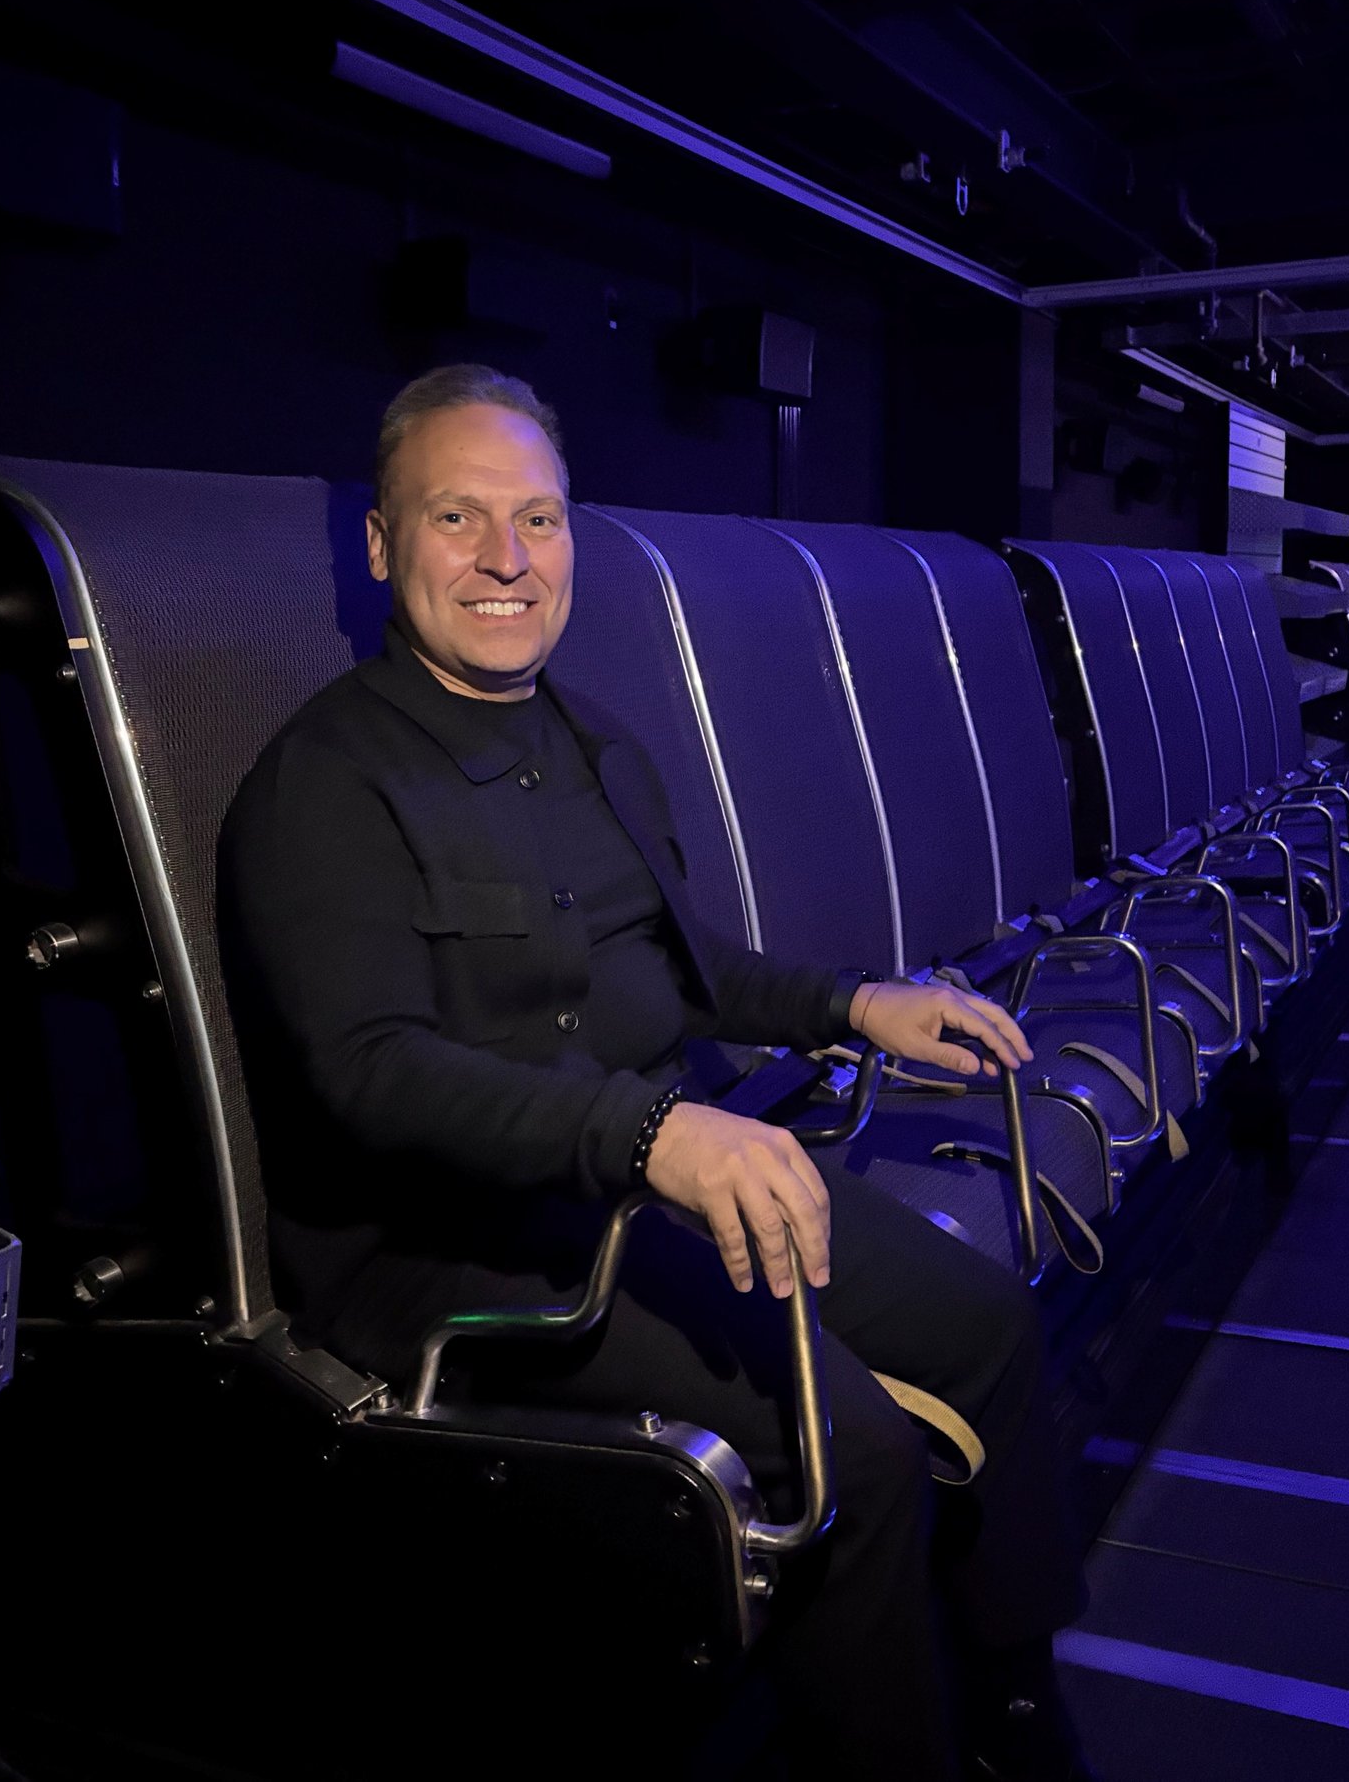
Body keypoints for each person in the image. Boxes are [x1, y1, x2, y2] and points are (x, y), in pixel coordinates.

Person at [218, 365, 1089, 1779]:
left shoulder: (599, 745)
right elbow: (369, 1078)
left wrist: (855, 1002)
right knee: (852, 1449)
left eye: (539, 520)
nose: (507, 559)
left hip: (641, 1182)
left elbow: (690, 971)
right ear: (381, 546)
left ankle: (1014, 1707)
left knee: (988, 1323)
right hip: (455, 1247)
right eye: (457, 517)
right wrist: (653, 1136)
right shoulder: (324, 783)